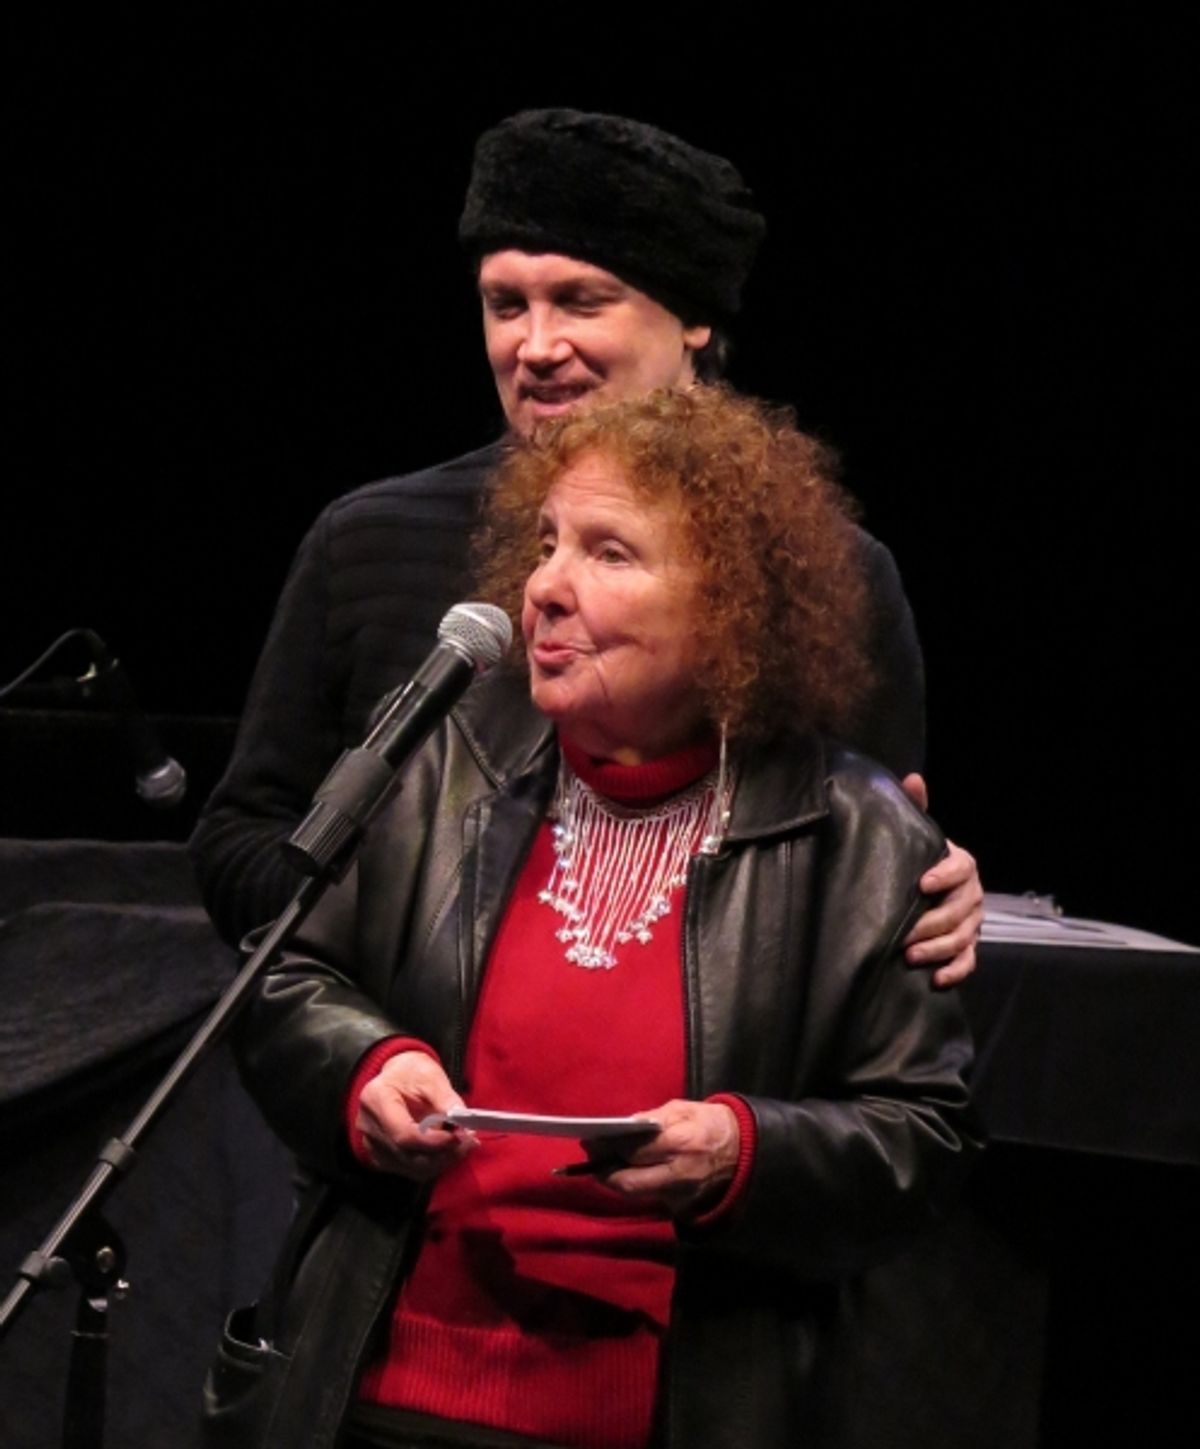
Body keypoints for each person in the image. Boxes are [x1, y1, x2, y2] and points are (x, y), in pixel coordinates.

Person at [203, 387, 979, 1449]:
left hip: (670, 1409)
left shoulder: (854, 835)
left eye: (609, 554)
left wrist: (743, 1154)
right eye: (546, 543)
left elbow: (923, 1140)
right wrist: (364, 1069)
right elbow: (282, 980)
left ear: (730, 605)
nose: (546, 589)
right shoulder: (445, 761)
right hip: (383, 1392)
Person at [190, 108, 982, 982]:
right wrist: (404, 942)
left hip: (695, 1100)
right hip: (405, 1085)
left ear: (693, 320)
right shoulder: (369, 542)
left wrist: (927, 888)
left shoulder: (828, 573)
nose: (534, 346)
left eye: (580, 300)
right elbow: (241, 843)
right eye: (505, 305)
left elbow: (870, 861)